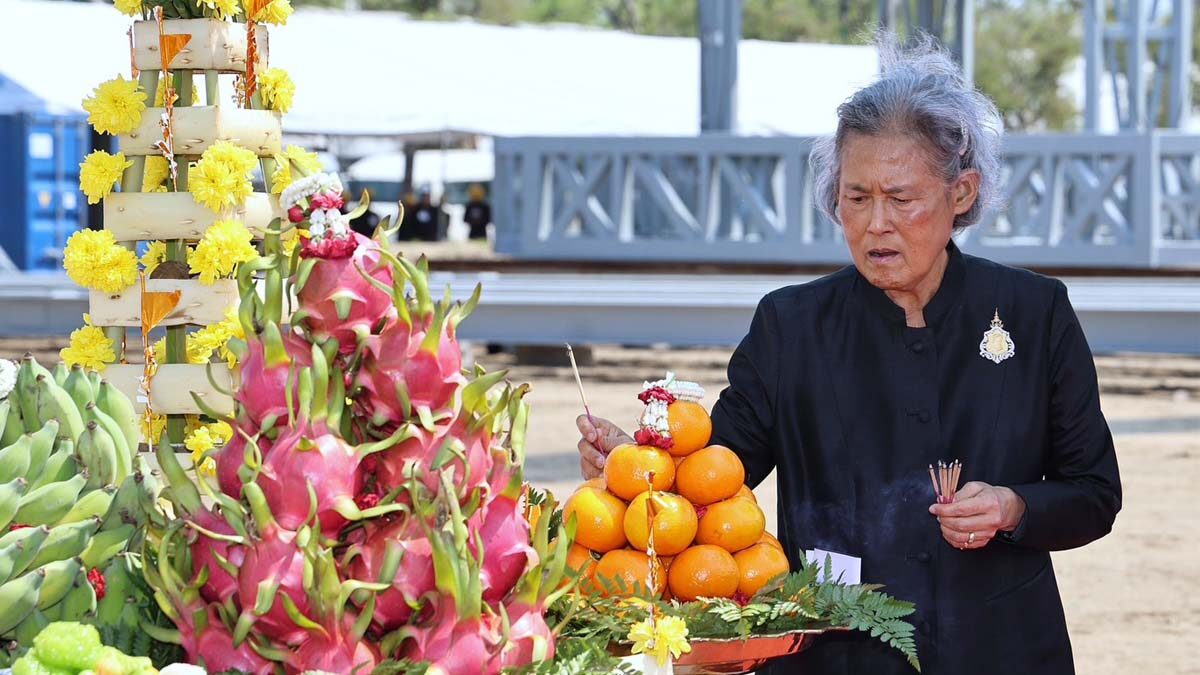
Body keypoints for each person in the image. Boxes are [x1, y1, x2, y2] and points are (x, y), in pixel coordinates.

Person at [575, 38, 1120, 675]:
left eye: (901, 197)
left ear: (962, 193)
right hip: (833, 655)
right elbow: (715, 480)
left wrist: (1014, 508)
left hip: (1002, 648)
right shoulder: (791, 325)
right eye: (856, 198)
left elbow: (1094, 492)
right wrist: (637, 465)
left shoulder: (1034, 311)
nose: (875, 224)